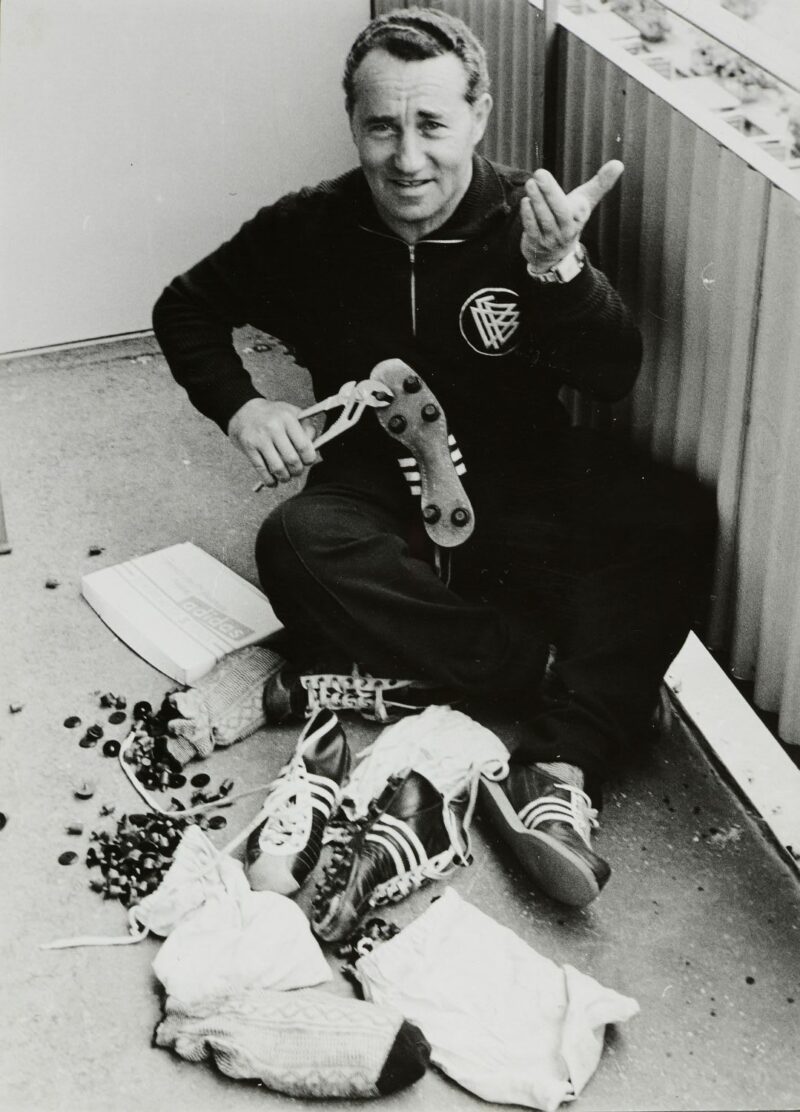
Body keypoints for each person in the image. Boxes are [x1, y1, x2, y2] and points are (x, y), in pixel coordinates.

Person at [153, 7, 716, 909]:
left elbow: (613, 374)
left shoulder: (528, 219)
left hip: (523, 485)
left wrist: (560, 273)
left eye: (432, 125)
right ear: (353, 123)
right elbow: (185, 306)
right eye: (382, 126)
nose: (407, 157)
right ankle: (561, 682)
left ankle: (551, 769)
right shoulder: (309, 227)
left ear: (479, 116)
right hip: (375, 488)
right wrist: (244, 406)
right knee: (297, 542)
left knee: (671, 508)